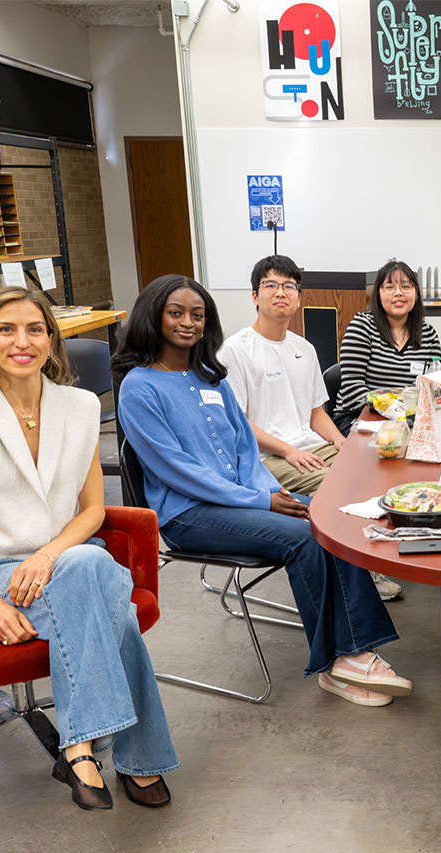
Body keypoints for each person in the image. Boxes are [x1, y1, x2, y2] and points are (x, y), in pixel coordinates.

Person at [0, 285, 177, 811]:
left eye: (35, 329)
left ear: (51, 340)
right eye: (7, 329)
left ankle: (80, 745)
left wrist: (47, 555)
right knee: (114, 603)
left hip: (65, 560)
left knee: (87, 563)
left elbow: (91, 510)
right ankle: (136, 758)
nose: (22, 341)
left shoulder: (82, 407)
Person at [113, 274, 413, 708]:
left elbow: (244, 450)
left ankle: (353, 652)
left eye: (197, 315)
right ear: (152, 317)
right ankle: (343, 659)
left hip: (241, 499)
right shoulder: (140, 386)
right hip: (190, 514)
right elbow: (176, 470)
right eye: (175, 313)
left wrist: (272, 491)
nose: (188, 323)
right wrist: (261, 500)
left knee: (330, 519)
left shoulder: (210, 378)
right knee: (302, 537)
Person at [218, 255, 345, 497]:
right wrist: (288, 451)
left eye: (289, 286)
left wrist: (340, 441)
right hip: (266, 456)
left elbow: (316, 413)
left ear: (298, 298)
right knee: (335, 486)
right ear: (255, 296)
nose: (280, 293)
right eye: (270, 285)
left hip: (311, 446)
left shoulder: (305, 349)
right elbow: (239, 424)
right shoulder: (235, 350)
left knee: (365, 467)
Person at [331, 261, 441, 435]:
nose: (398, 293)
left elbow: (432, 390)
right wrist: (395, 408)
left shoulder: (428, 335)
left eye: (406, 286)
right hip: (358, 417)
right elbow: (352, 390)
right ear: (378, 294)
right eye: (389, 287)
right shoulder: (362, 326)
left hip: (408, 419)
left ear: (416, 293)